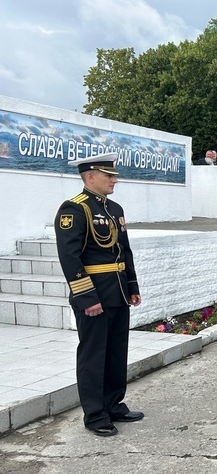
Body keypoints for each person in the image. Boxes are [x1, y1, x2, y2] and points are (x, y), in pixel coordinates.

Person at [54, 153, 144, 437]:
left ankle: (113, 404)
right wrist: (86, 297)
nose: (114, 180)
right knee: (94, 355)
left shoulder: (114, 208)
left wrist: (131, 286)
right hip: (94, 294)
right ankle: (95, 414)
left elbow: (124, 251)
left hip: (117, 291)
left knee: (117, 352)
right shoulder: (74, 210)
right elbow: (70, 257)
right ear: (90, 176)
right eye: (109, 176)